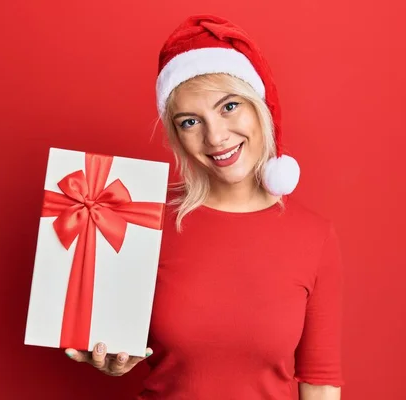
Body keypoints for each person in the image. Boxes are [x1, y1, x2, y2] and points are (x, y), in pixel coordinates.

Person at [65, 14, 344, 400]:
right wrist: (109, 353)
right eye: (191, 121)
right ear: (177, 135)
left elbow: (320, 379)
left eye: (229, 107)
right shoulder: (143, 221)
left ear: (259, 106)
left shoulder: (314, 237)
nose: (215, 136)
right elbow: (111, 335)